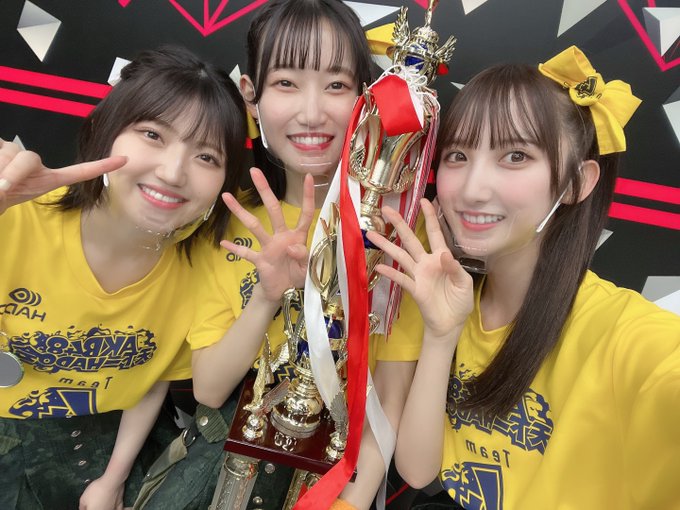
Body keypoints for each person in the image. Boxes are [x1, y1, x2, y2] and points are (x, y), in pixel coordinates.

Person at [367, 45, 680, 510]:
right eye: (457, 155)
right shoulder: (448, 299)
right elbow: (416, 469)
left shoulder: (624, 335)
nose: (472, 189)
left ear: (577, 182)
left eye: (515, 156)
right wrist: (441, 335)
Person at [140, 1, 425, 509]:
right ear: (251, 95)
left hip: (333, 480)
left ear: (365, 97)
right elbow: (209, 388)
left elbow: (389, 398)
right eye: (287, 83)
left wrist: (348, 503)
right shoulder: (228, 218)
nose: (311, 113)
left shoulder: (396, 228)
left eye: (336, 85)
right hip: (221, 470)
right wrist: (266, 296)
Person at [0, 45, 246, 510]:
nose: (172, 172)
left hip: (105, 445)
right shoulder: (15, 216)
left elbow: (149, 377)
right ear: (104, 131)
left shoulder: (201, 265)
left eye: (207, 157)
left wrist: (113, 479)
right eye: (153, 134)